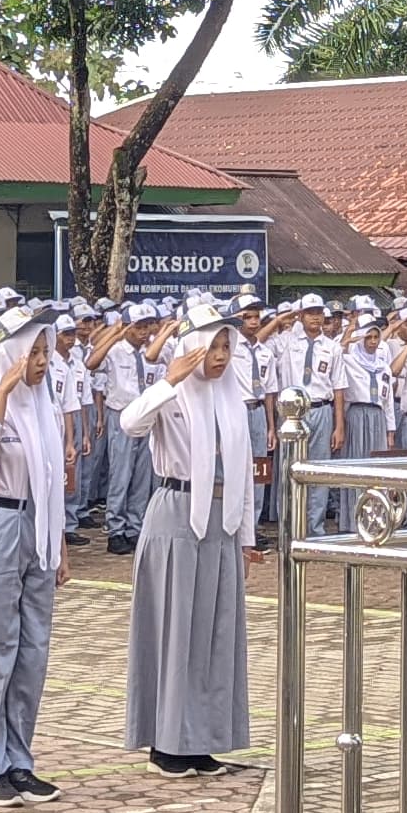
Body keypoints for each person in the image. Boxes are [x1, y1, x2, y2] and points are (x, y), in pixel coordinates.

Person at [119, 293, 258, 776]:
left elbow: (239, 470)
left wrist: (246, 537)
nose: (220, 356)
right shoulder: (174, 392)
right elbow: (130, 423)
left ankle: (200, 737)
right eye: (212, 346)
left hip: (220, 521)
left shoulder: (232, 398)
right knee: (174, 631)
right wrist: (168, 380)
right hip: (176, 515)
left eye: (226, 346)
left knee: (213, 633)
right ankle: (165, 741)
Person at [0, 304, 70, 806]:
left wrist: (60, 539)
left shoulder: (44, 405)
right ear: (10, 355)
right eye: (33, 352)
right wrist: (3, 389)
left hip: (39, 529)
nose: (43, 361)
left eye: (46, 350)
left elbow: (53, 479)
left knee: (32, 654)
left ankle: (21, 761)